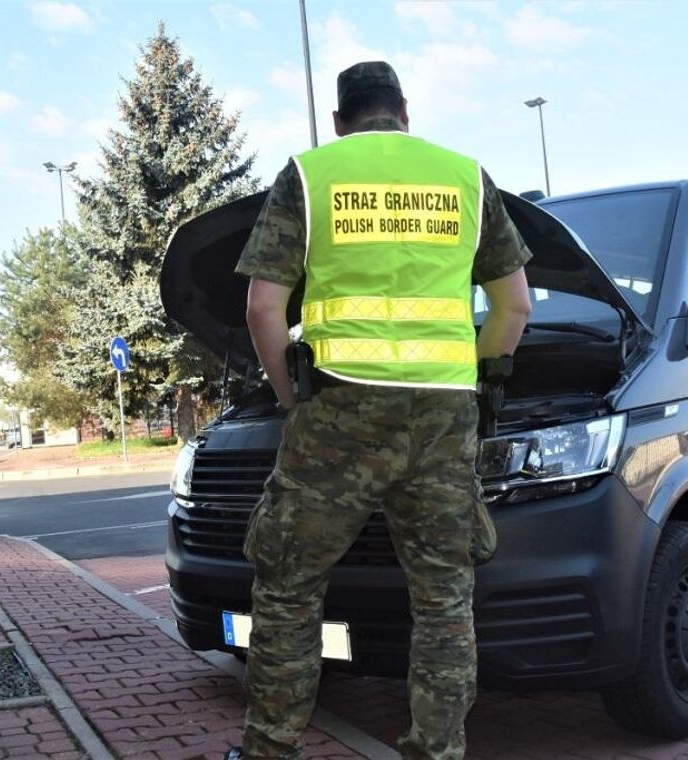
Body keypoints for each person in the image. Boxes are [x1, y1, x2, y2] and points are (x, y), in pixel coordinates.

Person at [230, 61, 533, 760]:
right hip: (442, 418)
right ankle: (436, 749)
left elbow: (262, 308)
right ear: (404, 111)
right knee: (443, 602)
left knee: (290, 586)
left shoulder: (310, 174)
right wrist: (473, 379)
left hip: (338, 409)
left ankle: (270, 750)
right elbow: (515, 305)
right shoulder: (464, 177)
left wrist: (288, 396)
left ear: (340, 121)